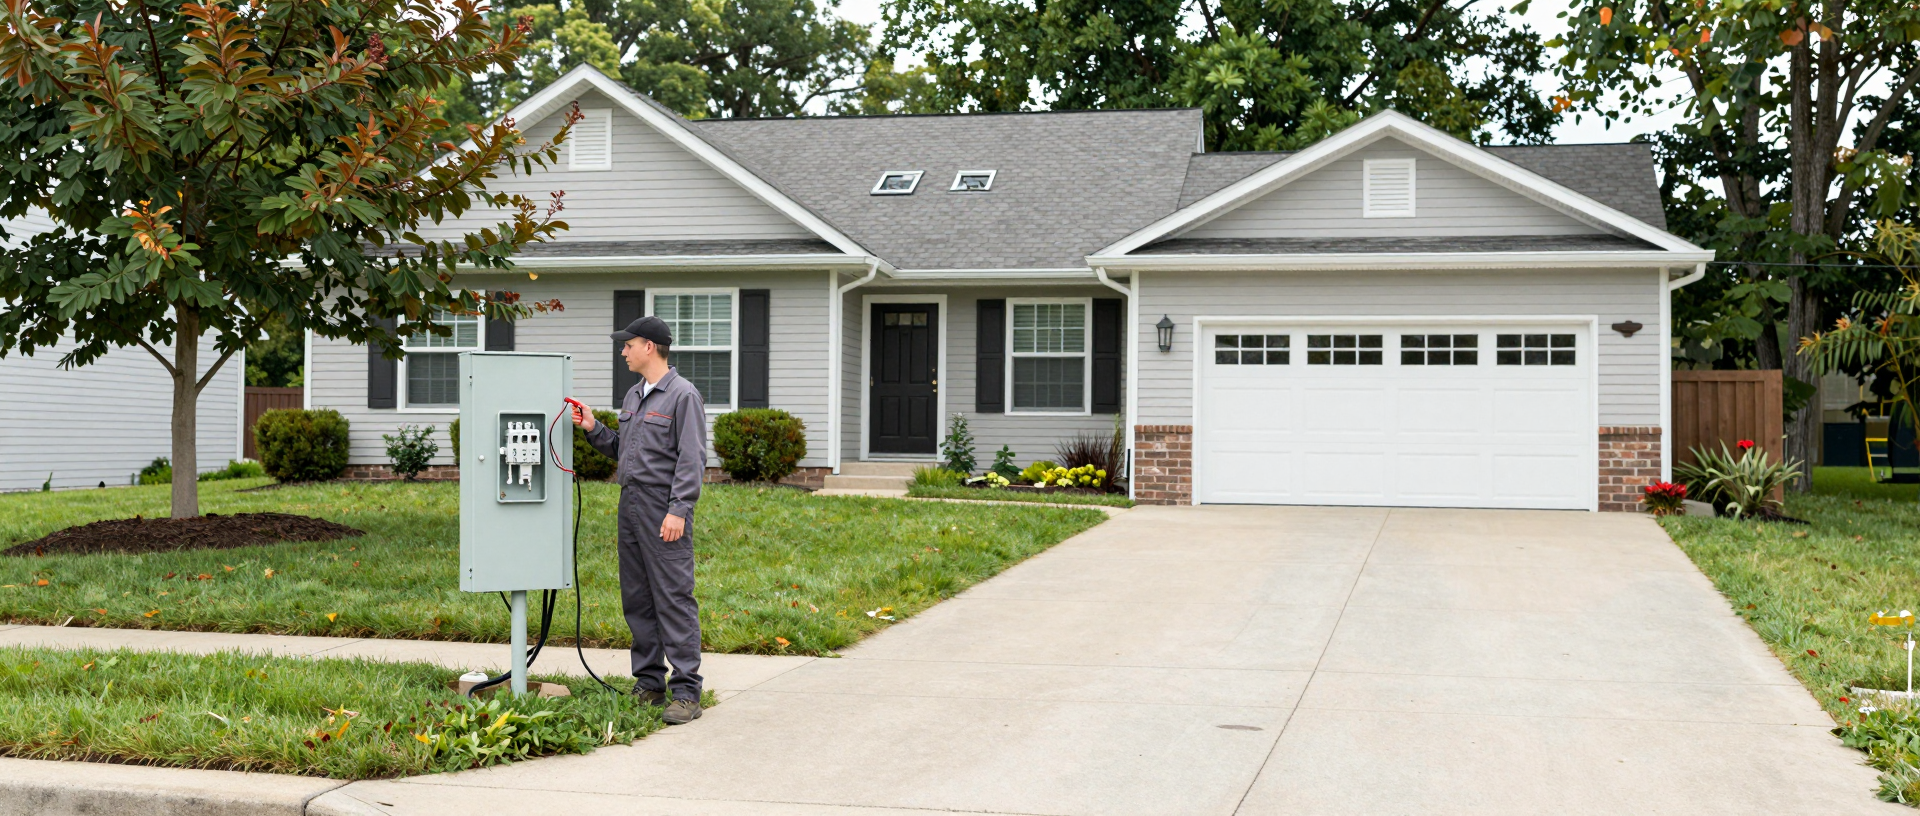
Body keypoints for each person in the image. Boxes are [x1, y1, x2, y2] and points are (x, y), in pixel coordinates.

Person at [570, 315, 709, 725]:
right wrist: (594, 428)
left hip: (663, 508)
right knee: (638, 598)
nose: (623, 351)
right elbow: (625, 450)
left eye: (628, 345)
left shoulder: (683, 395)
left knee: (673, 598)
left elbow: (692, 459)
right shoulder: (634, 394)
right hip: (629, 504)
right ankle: (649, 683)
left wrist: (678, 510)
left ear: (649, 346)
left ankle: (687, 692)